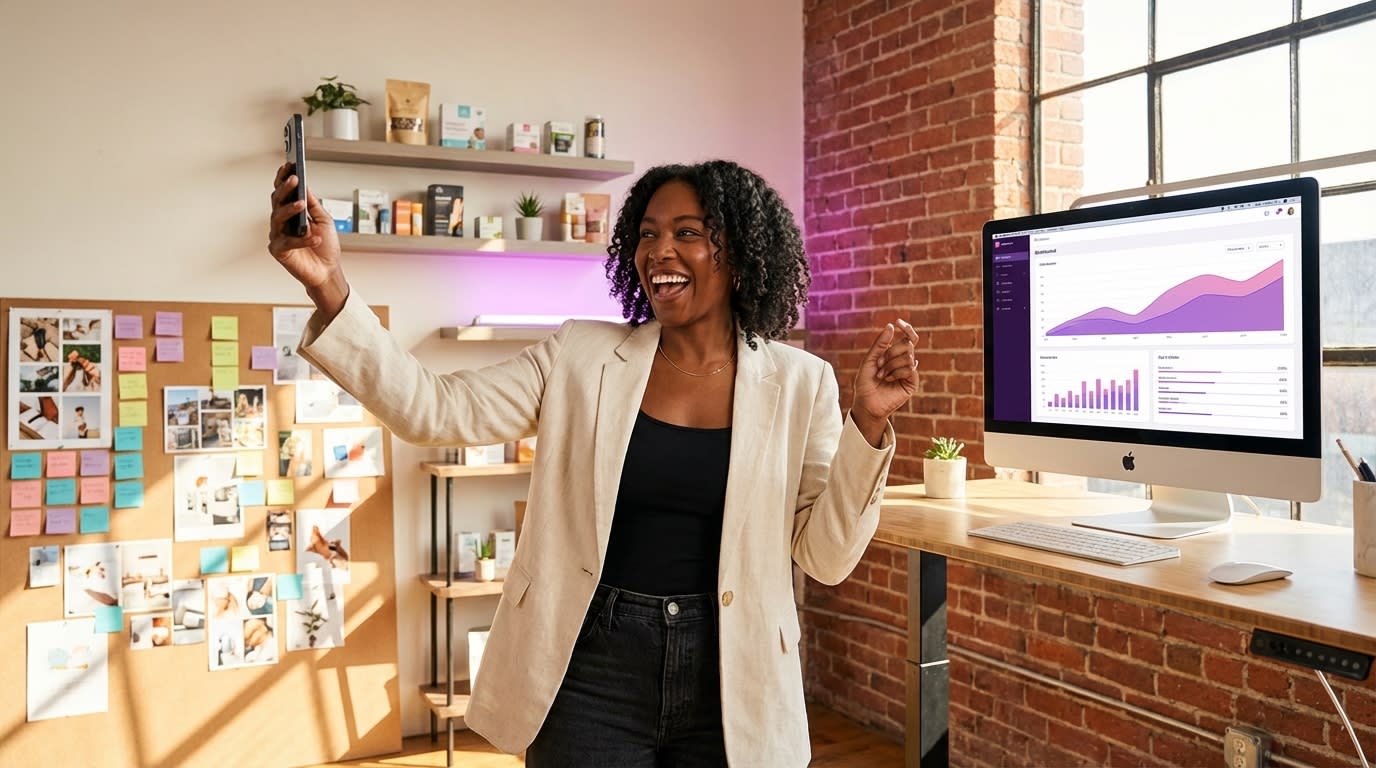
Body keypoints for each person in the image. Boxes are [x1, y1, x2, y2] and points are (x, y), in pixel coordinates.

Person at [268, 158, 921, 767]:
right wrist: (329, 285)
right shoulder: (580, 354)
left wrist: (867, 421)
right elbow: (433, 409)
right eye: (646, 233)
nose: (658, 250)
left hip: (735, 670)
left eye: (687, 232)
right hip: (590, 665)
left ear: (743, 256)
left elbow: (828, 558)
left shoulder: (801, 382)